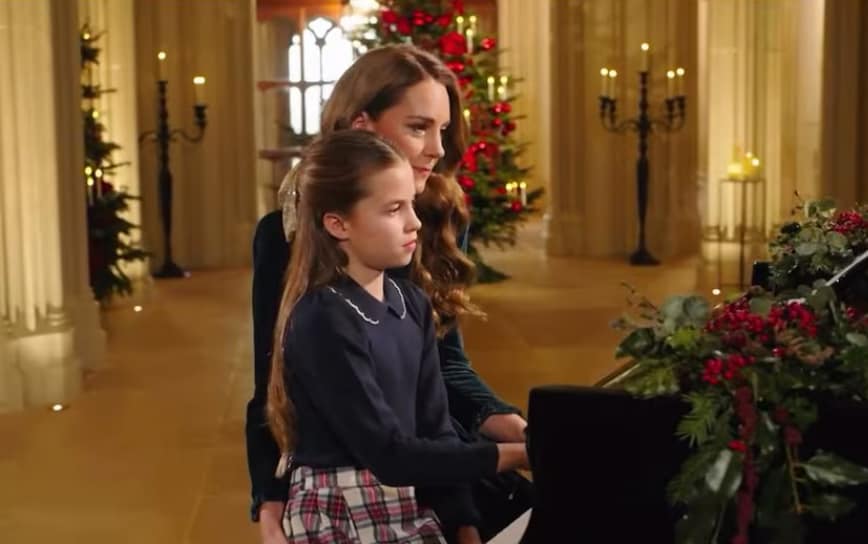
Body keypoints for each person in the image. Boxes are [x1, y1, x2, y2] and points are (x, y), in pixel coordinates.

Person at [246, 44, 532, 544]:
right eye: (419, 127)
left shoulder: (436, 218)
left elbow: (445, 364)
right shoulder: (285, 235)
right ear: (363, 126)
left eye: (443, 129)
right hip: (347, 468)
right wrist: (269, 499)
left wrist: (501, 419)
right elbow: (271, 381)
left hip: (427, 448)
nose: (439, 148)